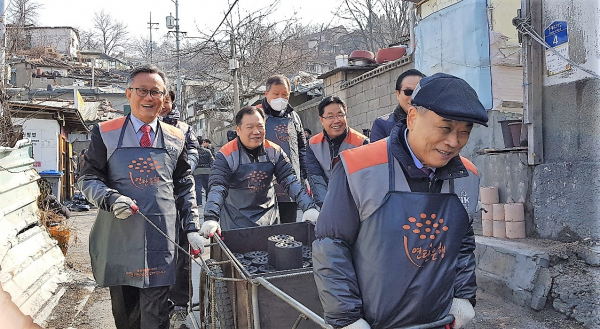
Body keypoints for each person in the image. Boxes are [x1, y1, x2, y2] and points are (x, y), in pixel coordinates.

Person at [312, 73, 486, 329]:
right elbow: (331, 246)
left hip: (438, 321)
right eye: (445, 128)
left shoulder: (467, 175)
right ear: (413, 118)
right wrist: (347, 319)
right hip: (372, 323)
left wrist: (463, 294)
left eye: (464, 132)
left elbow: (462, 241)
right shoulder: (359, 167)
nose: (453, 142)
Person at [78, 64, 203, 329]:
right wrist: (110, 199)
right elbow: (88, 179)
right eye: (142, 91)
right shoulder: (105, 133)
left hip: (162, 240)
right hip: (121, 239)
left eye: (156, 92)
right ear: (128, 94)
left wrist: (192, 227)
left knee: (157, 315)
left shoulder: (175, 137)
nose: (149, 97)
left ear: (164, 97)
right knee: (126, 315)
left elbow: (183, 183)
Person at [200, 106, 319, 237]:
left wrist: (309, 207)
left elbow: (290, 180)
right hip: (235, 224)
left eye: (260, 126)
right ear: (238, 130)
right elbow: (218, 187)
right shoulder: (226, 154)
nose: (256, 131)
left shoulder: (274, 150)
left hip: (269, 222)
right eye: (249, 127)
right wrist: (211, 217)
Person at [159, 89, 201, 329]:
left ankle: (181, 302)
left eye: (167, 99)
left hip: (179, 196)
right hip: (154, 199)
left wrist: (183, 168)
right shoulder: (144, 126)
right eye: (160, 98)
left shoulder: (183, 129)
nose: (163, 103)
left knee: (182, 252)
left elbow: (192, 151)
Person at [257, 75, 308, 223]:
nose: (281, 98)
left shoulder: (294, 117)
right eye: (276, 94)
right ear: (266, 94)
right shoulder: (256, 115)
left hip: (290, 185)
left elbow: (301, 148)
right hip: (262, 186)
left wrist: (305, 176)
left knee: (288, 228)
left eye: (285, 94)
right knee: (265, 229)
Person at [306, 96, 369, 207]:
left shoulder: (362, 143)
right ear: (321, 120)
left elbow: (365, 182)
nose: (336, 121)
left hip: (356, 206)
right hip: (326, 205)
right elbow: (316, 178)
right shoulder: (312, 144)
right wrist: (327, 208)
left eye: (340, 115)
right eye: (330, 116)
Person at [370, 69, 426, 142]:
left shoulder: (436, 122)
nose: (413, 97)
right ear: (398, 94)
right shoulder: (382, 125)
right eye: (408, 92)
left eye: (418, 92)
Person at [193, 138, 214, 205]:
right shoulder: (207, 151)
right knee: (207, 187)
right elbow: (212, 161)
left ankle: (199, 202)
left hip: (197, 171)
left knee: (198, 187)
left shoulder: (194, 152)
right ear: (202, 142)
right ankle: (208, 201)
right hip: (207, 171)